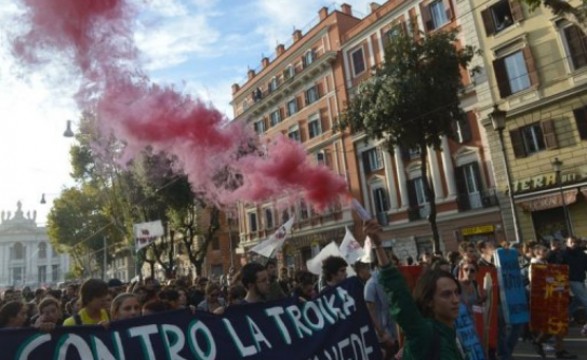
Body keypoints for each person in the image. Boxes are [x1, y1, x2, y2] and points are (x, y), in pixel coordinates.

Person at [365, 220, 463, 359]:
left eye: (456, 292)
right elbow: (399, 293)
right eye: (446, 295)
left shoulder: (451, 333)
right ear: (429, 301)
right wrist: (379, 246)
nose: (455, 300)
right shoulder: (425, 333)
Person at [364, 255, 398, 360]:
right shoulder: (371, 284)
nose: (393, 267)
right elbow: (370, 311)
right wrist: (382, 334)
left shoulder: (391, 280)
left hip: (394, 332)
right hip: (383, 336)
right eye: (390, 265)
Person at [563, 236, 587, 324]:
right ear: (567, 243)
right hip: (572, 279)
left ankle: (564, 315)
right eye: (571, 242)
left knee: (577, 301)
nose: (574, 244)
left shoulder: (581, 253)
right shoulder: (564, 254)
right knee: (585, 300)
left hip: (581, 278)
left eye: (575, 242)